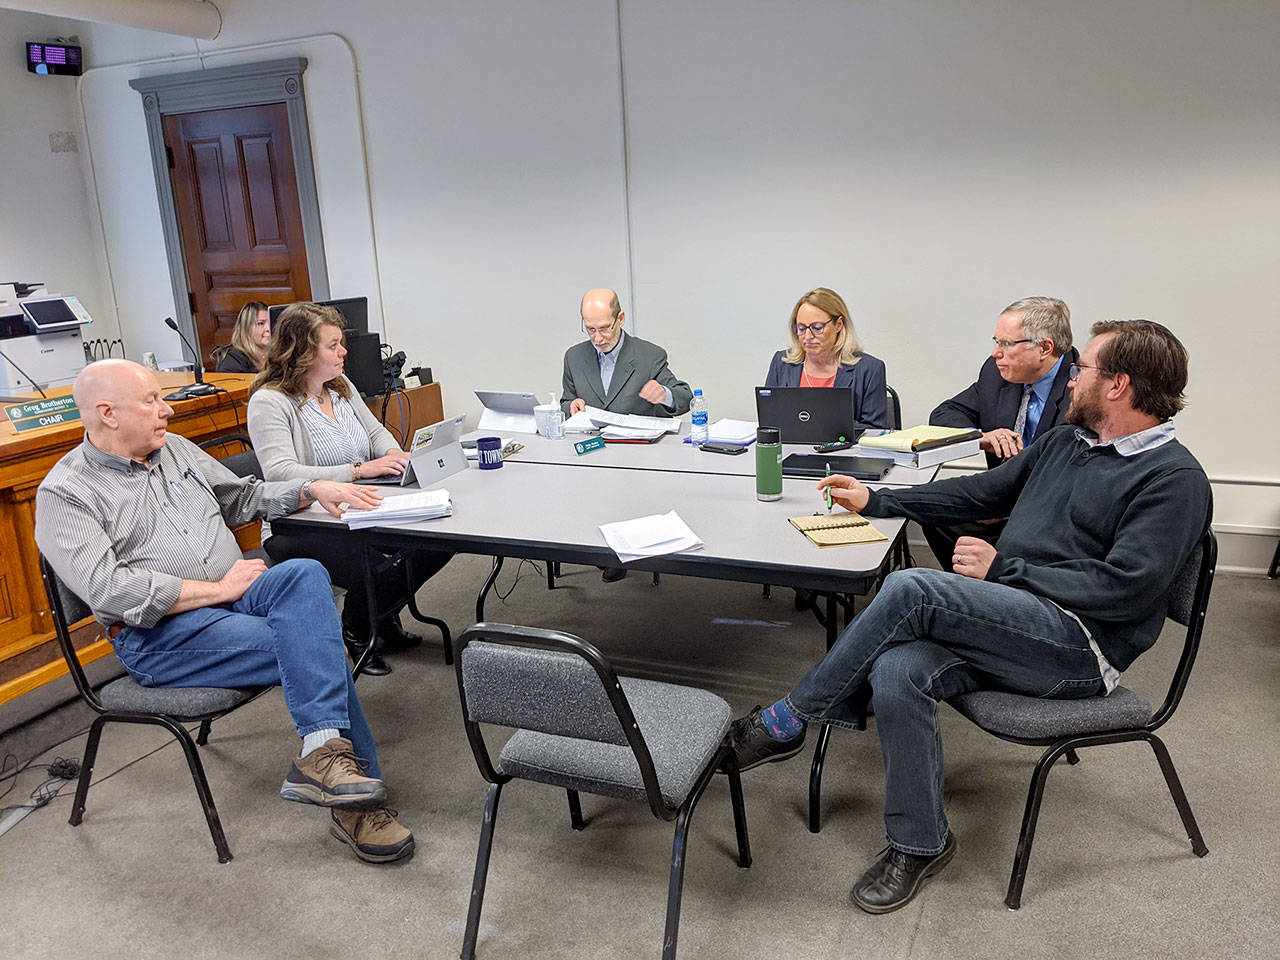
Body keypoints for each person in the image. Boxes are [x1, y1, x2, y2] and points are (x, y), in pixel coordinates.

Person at [729, 320, 1209, 915]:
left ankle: (787, 720)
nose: (1072, 380)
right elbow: (981, 496)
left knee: (912, 588)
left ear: (1119, 386)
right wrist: (878, 500)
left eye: (1082, 369)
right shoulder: (1067, 442)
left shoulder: (1174, 479)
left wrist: (1006, 570)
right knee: (900, 667)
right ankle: (920, 843)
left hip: (1081, 648)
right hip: (1013, 623)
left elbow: (1127, 591)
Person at [35, 359, 415, 864]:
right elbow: (110, 591)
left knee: (302, 575)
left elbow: (240, 498)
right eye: (150, 400)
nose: (166, 409)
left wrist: (309, 489)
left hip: (233, 594)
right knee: (311, 641)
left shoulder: (174, 450)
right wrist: (216, 590)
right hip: (159, 636)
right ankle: (359, 808)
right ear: (107, 413)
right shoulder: (66, 493)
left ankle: (325, 757)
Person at [247, 302, 452, 676]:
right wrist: (357, 471)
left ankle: (382, 613)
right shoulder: (270, 402)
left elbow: (375, 433)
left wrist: (393, 453)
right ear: (303, 352)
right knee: (379, 557)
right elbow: (280, 473)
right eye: (333, 345)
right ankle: (358, 627)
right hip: (301, 523)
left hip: (359, 507)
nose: (343, 352)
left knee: (439, 539)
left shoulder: (340, 387)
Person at [924, 296, 1078, 570]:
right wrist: (980, 436)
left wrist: (1006, 507)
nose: (996, 352)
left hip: (1051, 513)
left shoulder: (1079, 388)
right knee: (934, 511)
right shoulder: (997, 373)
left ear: (1045, 347)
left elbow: (1067, 477)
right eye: (996, 342)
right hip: (1002, 501)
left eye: (1006, 344)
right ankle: (969, 596)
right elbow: (944, 414)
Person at [764, 287, 889, 429]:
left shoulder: (869, 369)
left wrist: (820, 426)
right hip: (789, 450)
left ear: (839, 325)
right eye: (801, 328)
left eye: (817, 328)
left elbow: (875, 430)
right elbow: (770, 421)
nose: (808, 337)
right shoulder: (782, 363)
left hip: (843, 451)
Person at [561, 288, 692, 418]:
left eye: (605, 328)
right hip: (590, 438)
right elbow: (565, 402)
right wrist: (571, 405)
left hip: (635, 438)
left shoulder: (650, 356)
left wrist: (664, 394)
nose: (598, 338)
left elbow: (685, 398)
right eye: (591, 329)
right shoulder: (574, 357)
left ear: (621, 319)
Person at [213, 300, 270, 373]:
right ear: (246, 328)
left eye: (270, 322)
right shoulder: (232, 359)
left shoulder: (278, 353)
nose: (268, 328)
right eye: (260, 323)